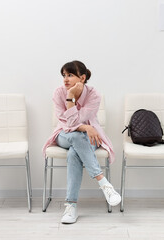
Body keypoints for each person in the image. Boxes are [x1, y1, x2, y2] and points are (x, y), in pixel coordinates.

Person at [43, 60, 121, 224]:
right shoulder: (59, 93)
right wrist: (71, 98)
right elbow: (69, 124)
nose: (65, 79)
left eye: (70, 75)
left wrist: (85, 127)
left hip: (89, 137)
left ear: (82, 77)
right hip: (64, 135)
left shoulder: (94, 95)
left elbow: (76, 120)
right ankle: (103, 182)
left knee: (74, 153)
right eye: (64, 75)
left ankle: (71, 206)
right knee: (77, 136)